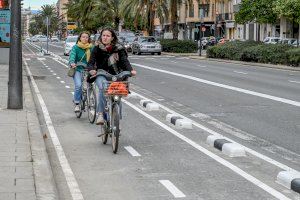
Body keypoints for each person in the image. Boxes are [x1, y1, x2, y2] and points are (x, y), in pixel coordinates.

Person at [88, 27, 136, 125]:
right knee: (103, 88)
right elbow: (91, 62)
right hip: (101, 74)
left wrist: (131, 70)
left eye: (108, 36)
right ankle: (101, 114)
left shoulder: (119, 48)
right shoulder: (97, 48)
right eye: (103, 35)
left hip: (116, 75)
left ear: (112, 38)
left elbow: (124, 61)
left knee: (118, 93)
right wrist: (92, 69)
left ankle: (116, 117)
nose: (105, 38)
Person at [69, 31, 93, 113]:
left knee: (91, 86)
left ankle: (89, 100)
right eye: (83, 37)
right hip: (78, 69)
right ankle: (76, 103)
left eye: (87, 37)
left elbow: (95, 57)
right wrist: (72, 63)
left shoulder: (91, 47)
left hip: (88, 70)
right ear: (80, 38)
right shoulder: (75, 47)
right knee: (78, 85)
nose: (85, 39)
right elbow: (72, 55)